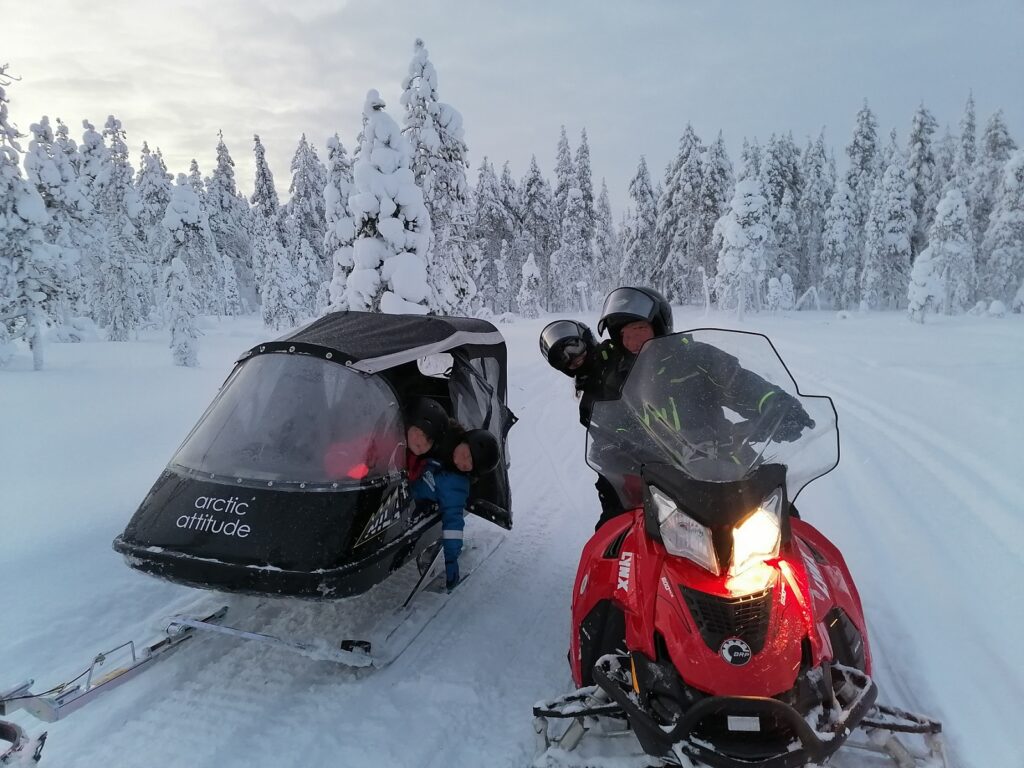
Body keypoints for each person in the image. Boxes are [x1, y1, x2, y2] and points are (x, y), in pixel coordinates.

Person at [541, 286, 814, 528]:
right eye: (625, 334)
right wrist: (614, 444)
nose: (633, 342)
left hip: (721, 456)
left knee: (782, 521)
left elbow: (738, 381)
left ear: (659, 327)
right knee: (615, 529)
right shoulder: (611, 367)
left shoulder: (694, 356)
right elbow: (598, 416)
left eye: (639, 329)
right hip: (650, 470)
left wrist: (776, 405)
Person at [411, 424, 501, 590]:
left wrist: (451, 560)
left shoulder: (455, 486)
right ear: (463, 440)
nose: (461, 461)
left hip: (406, 504)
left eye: (467, 465)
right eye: (466, 454)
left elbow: (453, 523)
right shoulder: (441, 435)